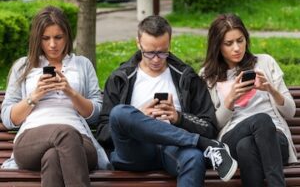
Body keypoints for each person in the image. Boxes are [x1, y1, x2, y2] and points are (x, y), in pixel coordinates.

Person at [96, 15, 237, 186]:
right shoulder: (120, 77)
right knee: (120, 113)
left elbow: (208, 126)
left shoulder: (187, 77)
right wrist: (138, 116)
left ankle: (199, 145)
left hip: (173, 149)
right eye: (149, 53)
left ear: (169, 43)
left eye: (162, 52)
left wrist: (179, 118)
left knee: (194, 157)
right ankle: (202, 144)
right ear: (138, 43)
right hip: (135, 151)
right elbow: (103, 131)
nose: (156, 59)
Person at [1, 6, 111, 187]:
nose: (52, 44)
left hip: (81, 142)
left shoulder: (82, 64)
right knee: (64, 133)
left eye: (58, 37)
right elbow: (8, 118)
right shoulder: (23, 66)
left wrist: (71, 92)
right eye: (46, 38)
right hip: (31, 141)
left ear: (67, 36)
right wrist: (34, 96)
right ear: (38, 39)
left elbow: (96, 114)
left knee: (53, 157)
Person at [200, 13, 297, 187]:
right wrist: (230, 99)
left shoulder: (265, 62)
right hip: (232, 138)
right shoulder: (208, 76)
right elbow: (212, 126)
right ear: (217, 46)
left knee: (247, 146)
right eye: (228, 43)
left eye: (240, 40)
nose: (237, 48)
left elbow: (290, 112)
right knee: (261, 119)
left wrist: (271, 90)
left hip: (274, 139)